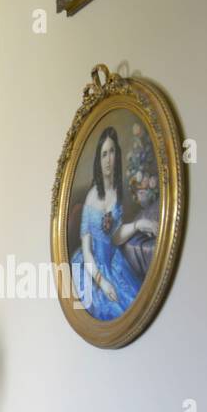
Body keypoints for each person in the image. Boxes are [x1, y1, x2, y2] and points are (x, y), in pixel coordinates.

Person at [68, 127, 158, 321]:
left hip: (113, 262)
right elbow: (87, 252)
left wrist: (137, 225)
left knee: (136, 304)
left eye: (111, 152)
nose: (108, 160)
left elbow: (114, 237)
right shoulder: (93, 198)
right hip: (92, 267)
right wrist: (104, 283)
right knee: (117, 311)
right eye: (103, 154)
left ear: (117, 154)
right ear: (98, 161)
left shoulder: (116, 192)